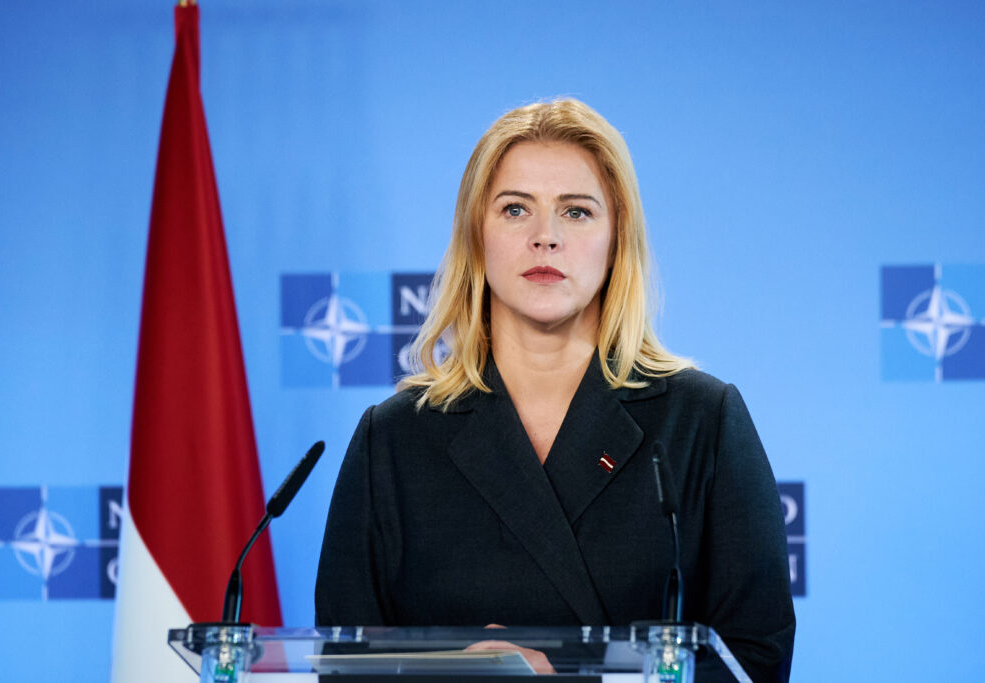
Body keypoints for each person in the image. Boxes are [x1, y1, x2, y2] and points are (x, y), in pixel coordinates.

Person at [314, 98, 795, 681]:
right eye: (516, 209)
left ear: (617, 239)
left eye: (577, 211)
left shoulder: (702, 420)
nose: (545, 237)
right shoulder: (394, 438)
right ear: (476, 237)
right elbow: (344, 667)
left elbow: (757, 658)